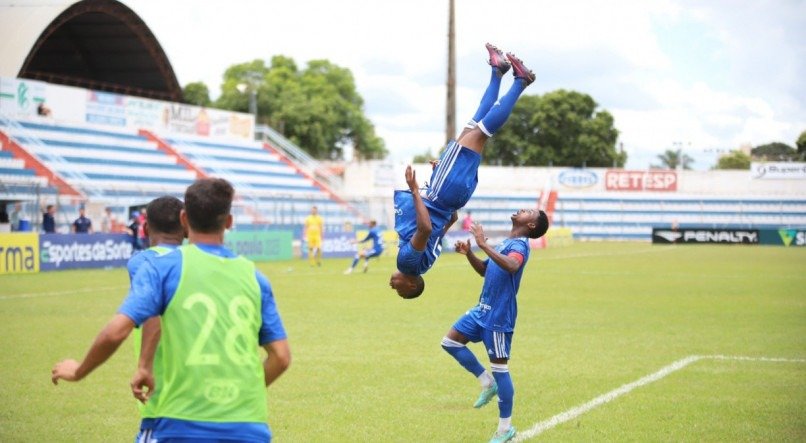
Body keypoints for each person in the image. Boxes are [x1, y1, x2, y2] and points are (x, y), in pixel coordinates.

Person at [52, 178, 292, 442]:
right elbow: (281, 357)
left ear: (184, 219)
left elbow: (116, 331)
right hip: (249, 428)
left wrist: (78, 371)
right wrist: (242, 396)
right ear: (229, 222)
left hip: (181, 424)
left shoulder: (161, 268)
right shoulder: (256, 278)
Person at [390, 43, 535, 299]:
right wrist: (416, 190)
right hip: (442, 193)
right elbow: (424, 229)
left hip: (450, 196)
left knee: (472, 126)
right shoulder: (407, 264)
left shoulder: (426, 264)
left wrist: (443, 185)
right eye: (400, 291)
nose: (393, 287)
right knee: (480, 133)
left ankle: (497, 71)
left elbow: (451, 219)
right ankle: (520, 82)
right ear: (412, 285)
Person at [442, 209, 549, 443]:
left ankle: (505, 429)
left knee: (501, 369)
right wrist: (471, 252)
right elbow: (485, 269)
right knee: (449, 342)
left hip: (499, 317)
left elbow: (512, 266)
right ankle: (485, 381)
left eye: (528, 212)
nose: (522, 210)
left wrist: (482, 243)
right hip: (482, 309)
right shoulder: (506, 243)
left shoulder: (520, 246)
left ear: (531, 225)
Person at [124, 196, 186, 442]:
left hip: (163, 395)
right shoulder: (201, 260)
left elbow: (152, 315)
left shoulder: (142, 262)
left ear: (146, 227)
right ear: (185, 224)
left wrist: (144, 366)